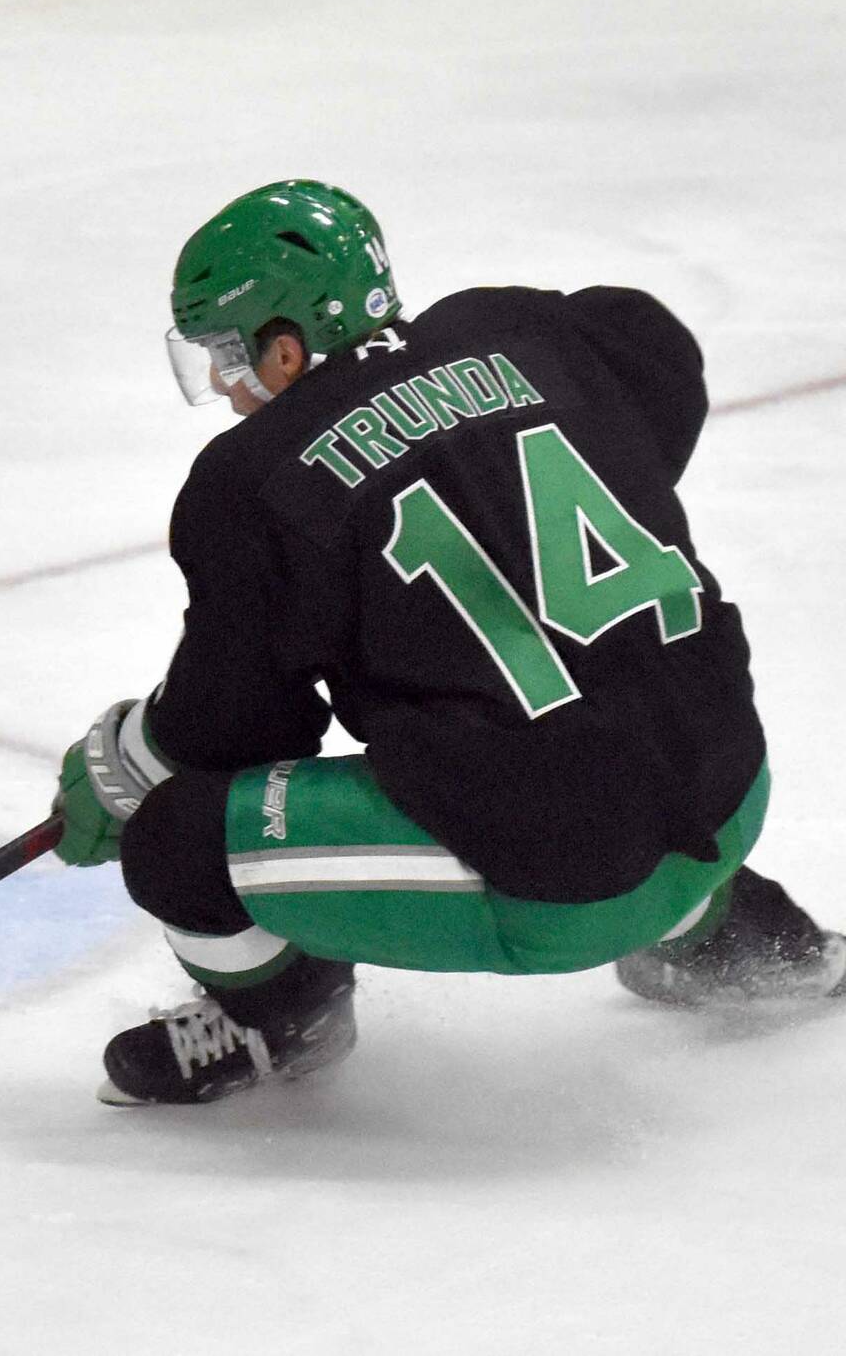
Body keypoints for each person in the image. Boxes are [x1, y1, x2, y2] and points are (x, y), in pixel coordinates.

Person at [53, 179, 840, 1105]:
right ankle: (738, 931)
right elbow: (659, 355)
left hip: (571, 885)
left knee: (176, 840)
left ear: (287, 341)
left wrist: (124, 758)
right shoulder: (521, 328)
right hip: (731, 783)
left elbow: (235, 726)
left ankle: (283, 1017)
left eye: (230, 355)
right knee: (604, 736)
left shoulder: (251, 480)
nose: (225, 388)